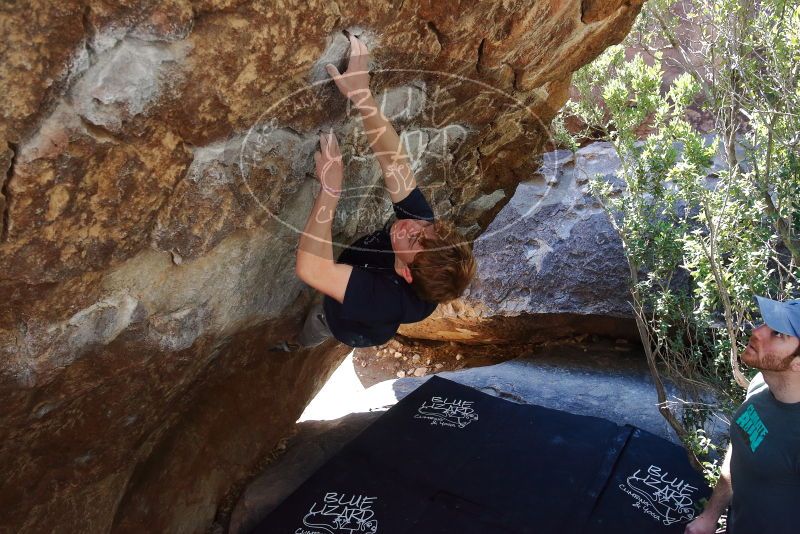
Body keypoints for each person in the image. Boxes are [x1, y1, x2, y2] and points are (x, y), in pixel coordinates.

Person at [291, 34, 476, 349]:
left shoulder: (385, 298)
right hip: (362, 271)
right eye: (425, 228)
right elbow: (395, 164)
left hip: (350, 325)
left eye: (413, 240)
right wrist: (363, 97)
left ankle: (305, 341)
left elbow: (312, 269)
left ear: (405, 271)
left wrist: (330, 191)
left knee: (321, 322)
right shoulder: (425, 233)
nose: (411, 227)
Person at [684, 296, 800, 534]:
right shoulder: (761, 384)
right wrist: (711, 515)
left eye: (778, 333)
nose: (757, 332)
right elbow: (742, 446)